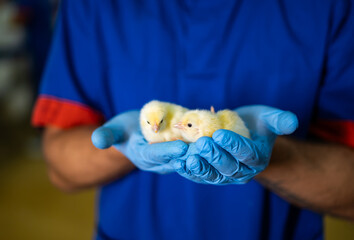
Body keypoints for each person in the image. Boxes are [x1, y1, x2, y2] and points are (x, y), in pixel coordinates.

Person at [32, 0, 354, 239]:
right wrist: (124, 145)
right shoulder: (91, 8)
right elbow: (60, 169)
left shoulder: (329, 8)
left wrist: (275, 156)